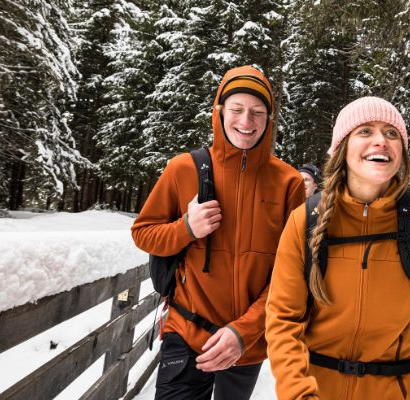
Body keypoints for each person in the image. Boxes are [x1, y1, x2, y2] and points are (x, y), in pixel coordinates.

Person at [265, 97, 410, 399]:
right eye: (365, 131)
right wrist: (298, 393)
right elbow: (283, 320)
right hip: (317, 390)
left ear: (402, 153)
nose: (380, 141)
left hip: (399, 389)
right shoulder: (304, 220)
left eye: (391, 133)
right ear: (342, 148)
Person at [132, 66, 305, 399]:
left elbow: (292, 274)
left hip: (247, 342)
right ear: (220, 112)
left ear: (268, 120)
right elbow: (144, 233)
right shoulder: (183, 169)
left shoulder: (289, 183)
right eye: (237, 110)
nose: (246, 121)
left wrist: (245, 332)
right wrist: (186, 228)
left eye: (257, 112)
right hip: (186, 331)